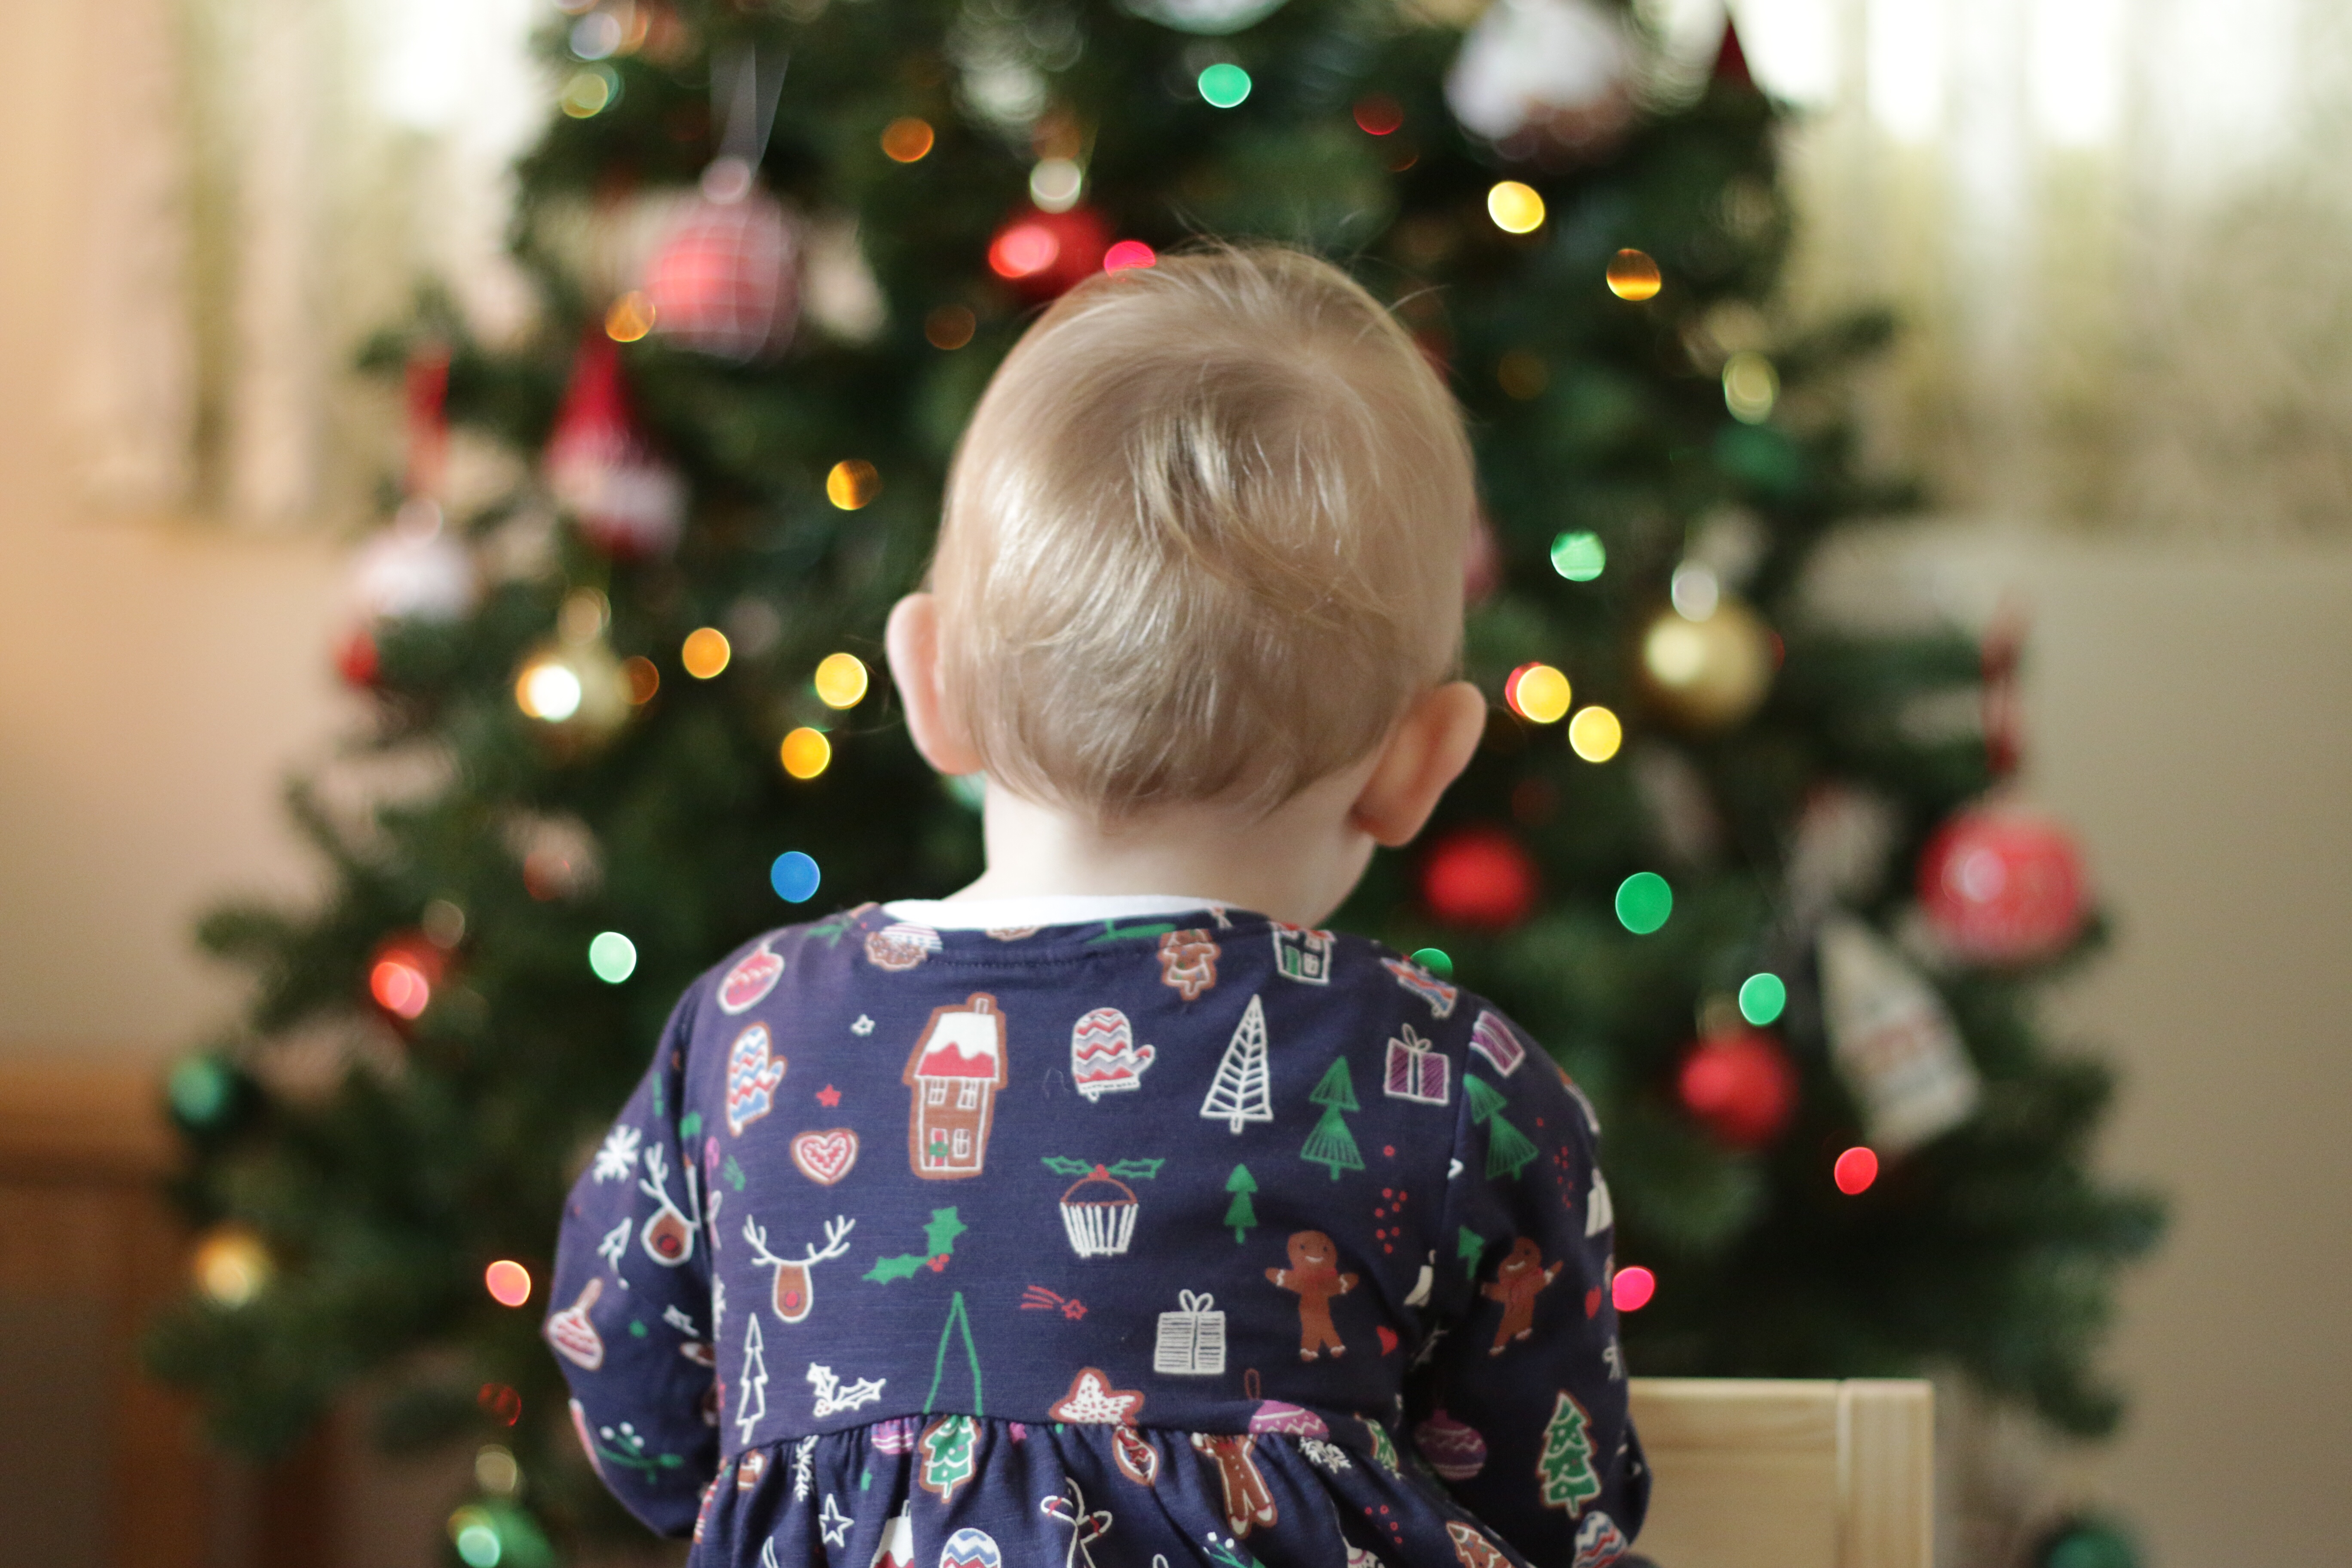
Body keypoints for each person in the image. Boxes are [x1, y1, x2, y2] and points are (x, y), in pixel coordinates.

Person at [545, 246, 1647, 1568]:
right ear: (1425, 761)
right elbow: (1551, 1499)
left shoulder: (752, 1027)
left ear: (927, 685)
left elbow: (642, 1417)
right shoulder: (1462, 1084)